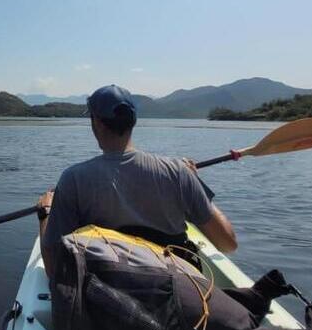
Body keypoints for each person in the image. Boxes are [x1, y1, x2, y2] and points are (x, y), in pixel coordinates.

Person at [37, 84, 237, 278]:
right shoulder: (179, 172)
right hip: (177, 295)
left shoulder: (73, 179)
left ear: (96, 123)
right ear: (133, 122)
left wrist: (46, 212)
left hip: (112, 299)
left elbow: (54, 269)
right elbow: (228, 243)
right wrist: (195, 184)